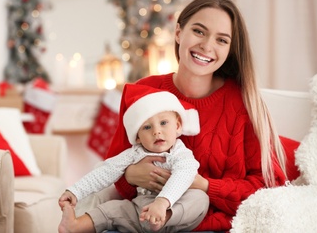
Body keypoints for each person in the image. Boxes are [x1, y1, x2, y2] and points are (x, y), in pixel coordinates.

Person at [103, 0, 289, 232]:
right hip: (144, 223)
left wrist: (203, 185)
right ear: (179, 33)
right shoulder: (143, 91)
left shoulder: (245, 102)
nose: (207, 46)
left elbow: (269, 187)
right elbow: (113, 172)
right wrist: (129, 176)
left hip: (212, 227)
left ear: (230, 50)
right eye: (199, 31)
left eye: (222, 40)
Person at [58, 83, 209, 233]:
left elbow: (185, 173)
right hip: (140, 213)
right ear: (137, 137)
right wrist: (75, 191)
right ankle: (75, 225)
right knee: (112, 208)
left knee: (200, 199)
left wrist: (162, 203)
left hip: (174, 212)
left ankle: (161, 219)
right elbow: (105, 171)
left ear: (177, 126)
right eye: (147, 127)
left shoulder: (180, 152)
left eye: (163, 123)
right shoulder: (134, 154)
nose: (156, 131)